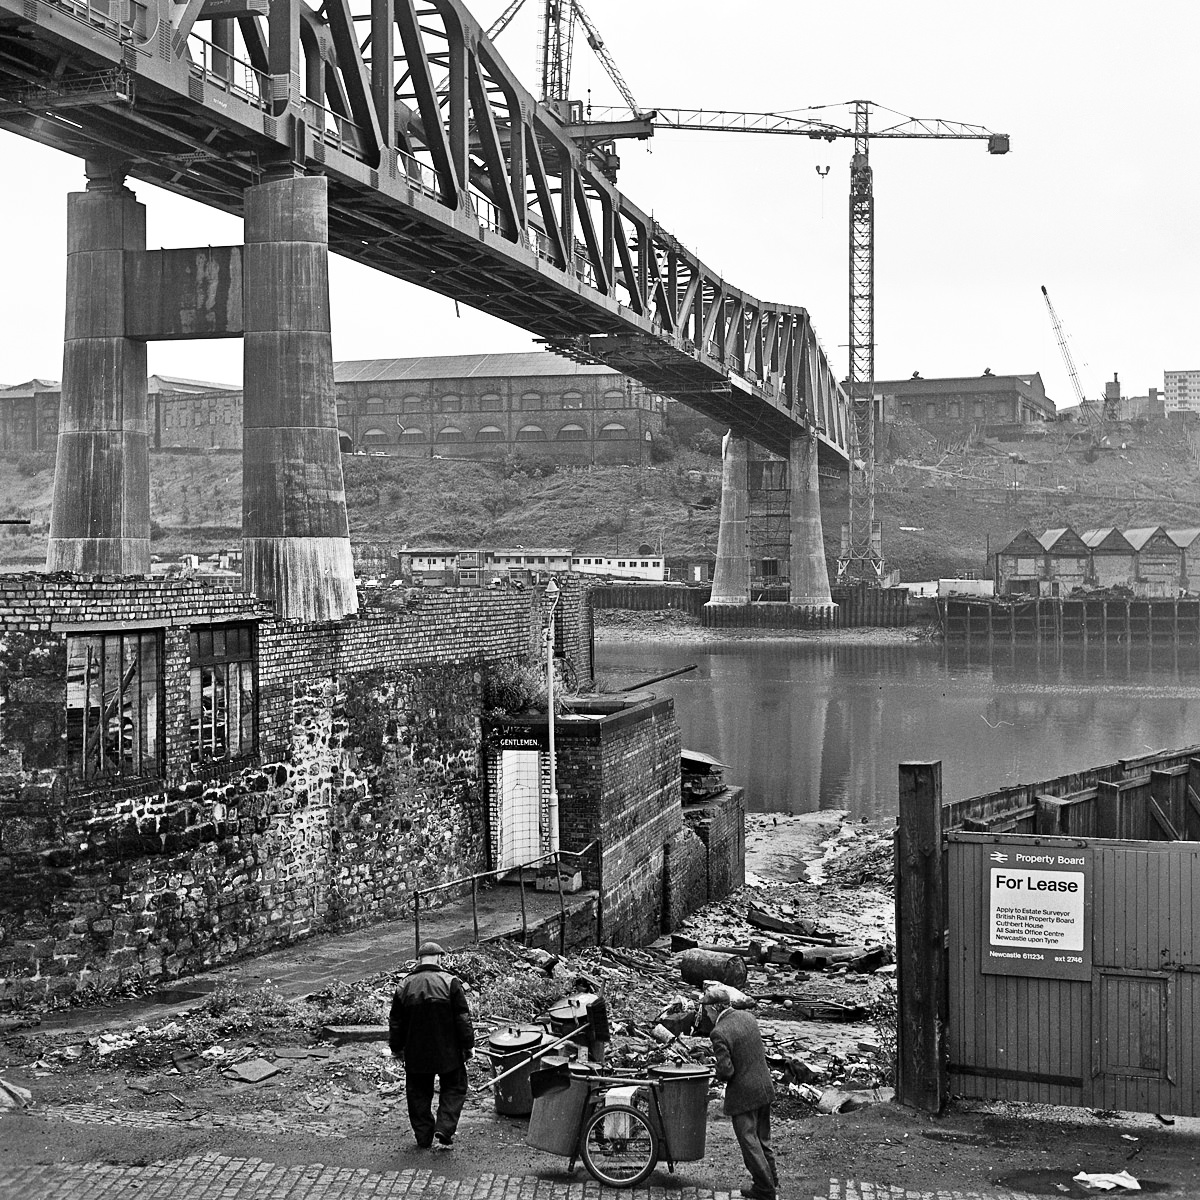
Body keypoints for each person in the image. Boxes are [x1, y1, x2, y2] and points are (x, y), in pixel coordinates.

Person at [389, 941, 475, 1149]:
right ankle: (444, 1127)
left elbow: (396, 1021)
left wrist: (397, 1048)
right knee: (455, 1087)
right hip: (448, 1050)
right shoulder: (450, 982)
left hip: (416, 1051)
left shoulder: (404, 985)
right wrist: (468, 1045)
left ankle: (423, 1136)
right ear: (438, 958)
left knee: (417, 1093)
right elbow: (462, 1018)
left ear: (419, 959)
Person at [701, 983, 778, 1200]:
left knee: (749, 1141)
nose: (706, 1015)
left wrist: (716, 1071)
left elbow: (727, 1071)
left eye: (706, 1010)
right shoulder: (748, 1018)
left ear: (714, 1008)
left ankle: (765, 1189)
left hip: (744, 1095)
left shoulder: (719, 1032)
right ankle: (772, 1178)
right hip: (764, 1086)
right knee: (763, 1138)